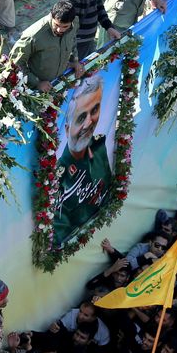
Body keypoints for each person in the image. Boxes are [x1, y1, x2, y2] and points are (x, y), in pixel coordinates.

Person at [52, 75, 113, 250]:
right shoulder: (58, 179)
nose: (89, 123)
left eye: (94, 111)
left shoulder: (99, 147)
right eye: (80, 118)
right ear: (66, 128)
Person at [11, 2, 83, 91]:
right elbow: (15, 62)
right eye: (56, 25)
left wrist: (75, 61)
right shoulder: (34, 35)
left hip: (58, 82)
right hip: (35, 89)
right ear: (51, 16)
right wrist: (36, 83)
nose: (60, 30)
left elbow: (73, 42)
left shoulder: (74, 23)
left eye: (65, 26)